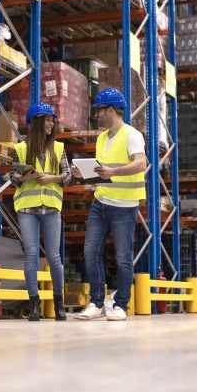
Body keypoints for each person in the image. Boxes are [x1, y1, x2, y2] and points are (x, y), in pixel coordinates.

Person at [72, 88, 147, 321]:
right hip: (100, 203)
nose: (97, 115)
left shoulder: (131, 135)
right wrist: (83, 174)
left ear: (112, 110)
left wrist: (113, 171)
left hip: (124, 207)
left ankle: (121, 305)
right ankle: (96, 303)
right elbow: (102, 172)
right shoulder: (101, 138)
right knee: (90, 252)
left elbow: (141, 164)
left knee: (123, 257)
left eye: (100, 111)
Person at [10, 102, 72, 322]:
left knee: (54, 257)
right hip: (27, 208)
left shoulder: (59, 148)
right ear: (37, 122)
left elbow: (67, 176)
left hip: (51, 208)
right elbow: (13, 178)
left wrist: (50, 178)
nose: (51, 123)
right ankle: (34, 304)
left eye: (52, 120)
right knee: (31, 255)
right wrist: (28, 177)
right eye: (47, 120)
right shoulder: (21, 148)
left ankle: (59, 304)